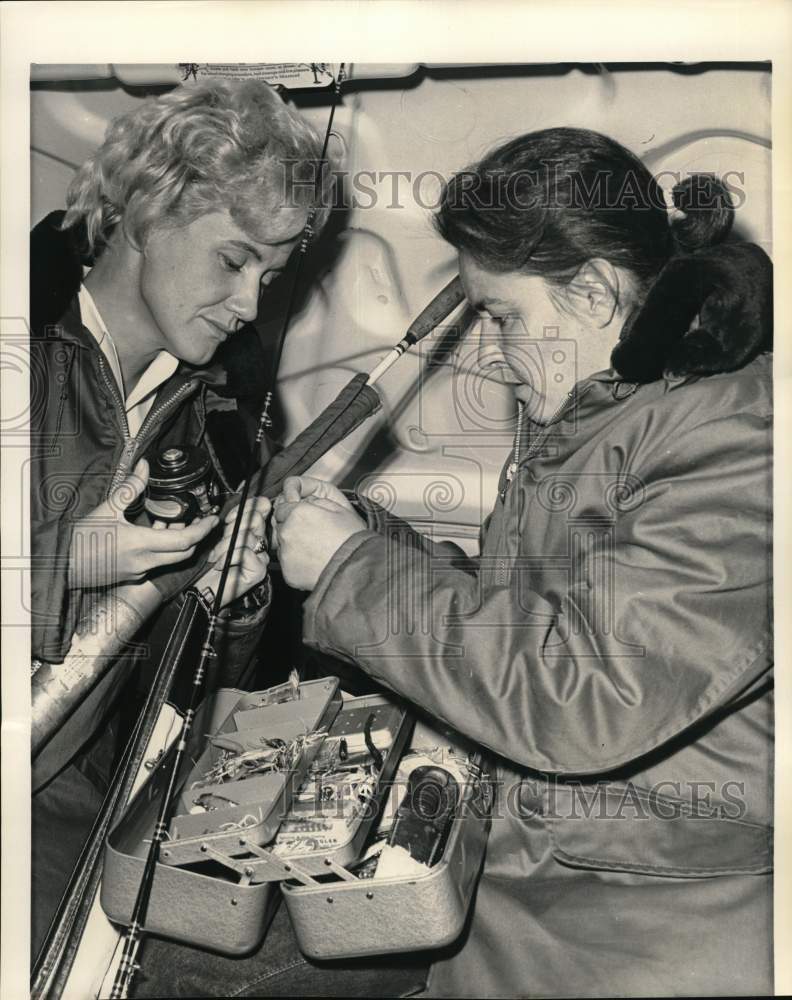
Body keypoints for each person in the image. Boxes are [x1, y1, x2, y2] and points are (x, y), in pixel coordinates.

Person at [267, 128, 773, 997]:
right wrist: (374, 538)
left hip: (635, 928)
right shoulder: (602, 412)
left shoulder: (736, 445)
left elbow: (585, 688)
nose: (493, 355)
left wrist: (351, 570)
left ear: (592, 292)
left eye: (502, 317)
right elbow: (522, 612)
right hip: (535, 879)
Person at [30, 78, 330, 959]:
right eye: (234, 261)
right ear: (148, 211)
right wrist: (67, 562)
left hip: (64, 788)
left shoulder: (213, 419)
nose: (249, 305)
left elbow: (177, 687)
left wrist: (231, 608)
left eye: (270, 277)